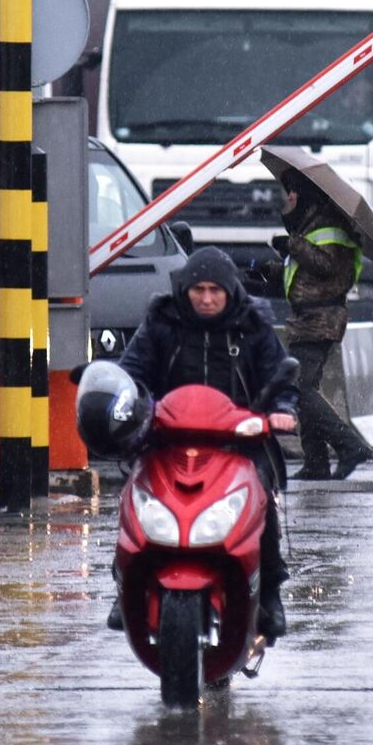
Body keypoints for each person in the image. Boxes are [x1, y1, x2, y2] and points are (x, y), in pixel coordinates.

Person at [112, 246, 300, 641]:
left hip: (237, 443)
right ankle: (125, 583)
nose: (208, 298)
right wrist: (127, 407)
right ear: (185, 290)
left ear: (231, 291)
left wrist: (281, 410)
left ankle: (269, 593)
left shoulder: (253, 325)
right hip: (167, 440)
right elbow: (130, 373)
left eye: (216, 289)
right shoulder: (160, 323)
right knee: (134, 496)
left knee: (262, 498)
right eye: (199, 289)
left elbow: (280, 376)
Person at [270, 173, 373, 481]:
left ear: (303, 195)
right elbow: (303, 278)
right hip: (306, 317)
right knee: (305, 388)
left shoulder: (329, 228)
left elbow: (328, 267)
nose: (288, 199)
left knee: (300, 388)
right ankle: (316, 462)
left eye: (291, 193)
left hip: (322, 317)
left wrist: (292, 246)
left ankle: (350, 446)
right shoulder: (310, 227)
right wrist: (271, 273)